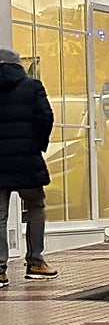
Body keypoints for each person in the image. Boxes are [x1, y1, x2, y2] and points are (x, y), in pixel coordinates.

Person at [0, 48, 57, 286]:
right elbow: (46, 118)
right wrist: (37, 145)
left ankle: (0, 269)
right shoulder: (32, 87)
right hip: (27, 160)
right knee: (35, 207)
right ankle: (35, 262)